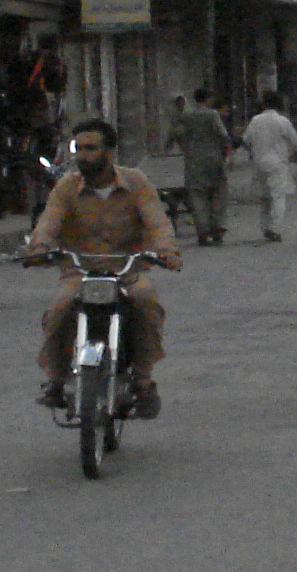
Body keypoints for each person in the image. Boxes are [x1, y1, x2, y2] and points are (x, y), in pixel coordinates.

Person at [24, 116, 180, 414]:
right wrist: (39, 247)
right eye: (79, 148)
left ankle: (144, 381)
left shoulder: (136, 182)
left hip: (128, 270)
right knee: (59, 309)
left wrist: (166, 250)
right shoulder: (66, 188)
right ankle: (56, 380)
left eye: (91, 148)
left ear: (109, 152)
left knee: (146, 301)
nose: (83, 156)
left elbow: (158, 222)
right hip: (79, 271)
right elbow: (48, 222)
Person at [241, 92, 297, 244]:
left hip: (259, 163)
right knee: (278, 196)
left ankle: (265, 227)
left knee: (265, 197)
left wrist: (253, 152)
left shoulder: (255, 120)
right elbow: (295, 141)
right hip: (277, 163)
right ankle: (274, 228)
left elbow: (245, 140)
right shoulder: (282, 121)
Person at [174, 93, 231, 243]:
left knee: (197, 195)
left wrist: (186, 149)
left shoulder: (186, 116)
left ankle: (202, 231)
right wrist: (225, 153)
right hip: (214, 159)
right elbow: (222, 134)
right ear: (207, 99)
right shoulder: (212, 114)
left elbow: (178, 134)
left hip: (193, 161)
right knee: (218, 192)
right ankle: (217, 226)